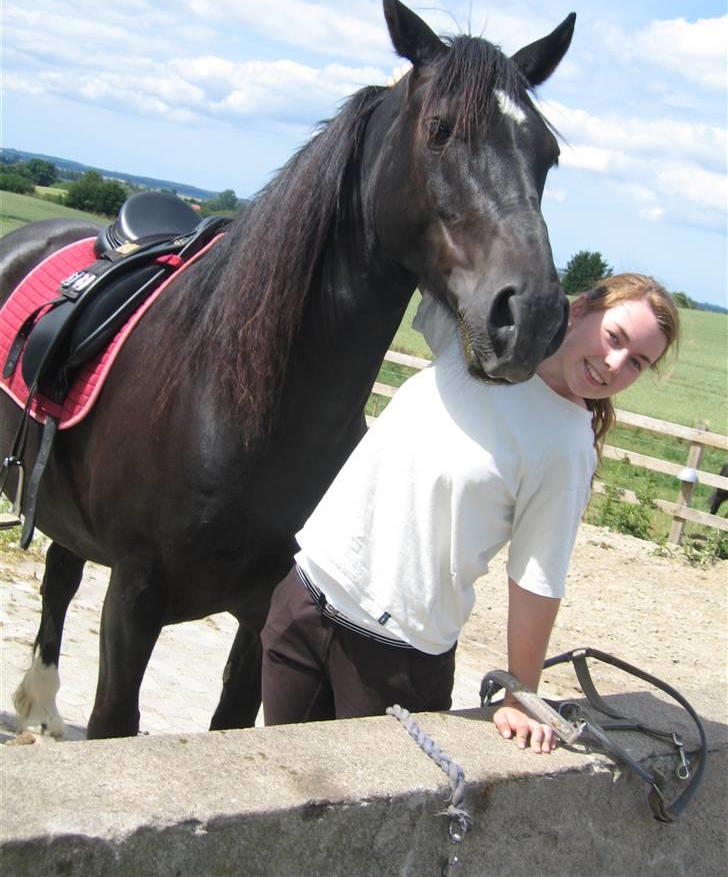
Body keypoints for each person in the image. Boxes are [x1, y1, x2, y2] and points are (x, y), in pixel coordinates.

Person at [261, 274, 679, 753]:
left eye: (637, 363)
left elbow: (536, 578)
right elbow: (432, 255)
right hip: (304, 599)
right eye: (615, 338)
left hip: (393, 657)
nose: (615, 364)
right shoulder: (480, 345)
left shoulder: (567, 444)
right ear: (580, 309)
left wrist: (522, 693)